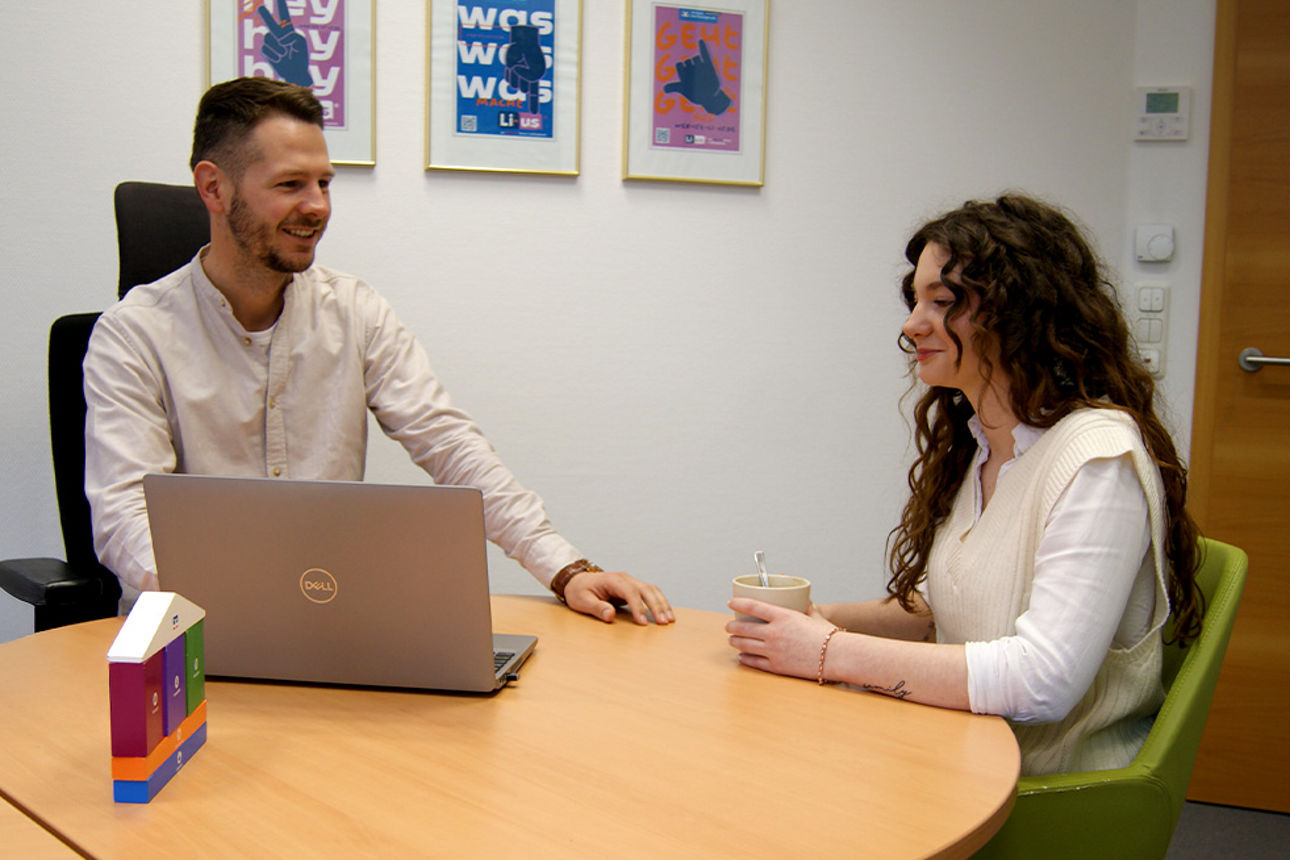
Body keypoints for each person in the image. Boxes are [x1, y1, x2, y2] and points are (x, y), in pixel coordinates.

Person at [84, 77, 674, 626]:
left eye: (324, 183)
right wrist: (252, 595)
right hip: (187, 635)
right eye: (291, 185)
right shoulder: (132, 336)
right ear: (214, 187)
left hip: (328, 622)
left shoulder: (355, 312)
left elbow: (452, 447)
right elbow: (125, 522)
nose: (317, 206)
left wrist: (566, 569)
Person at [726, 194, 1201, 776]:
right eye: (915, 300)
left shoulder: (1096, 458)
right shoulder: (987, 446)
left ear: (1021, 313)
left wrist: (828, 651)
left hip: (1045, 781)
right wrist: (814, 618)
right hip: (962, 752)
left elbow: (1041, 681)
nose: (911, 324)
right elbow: (941, 610)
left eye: (942, 302)